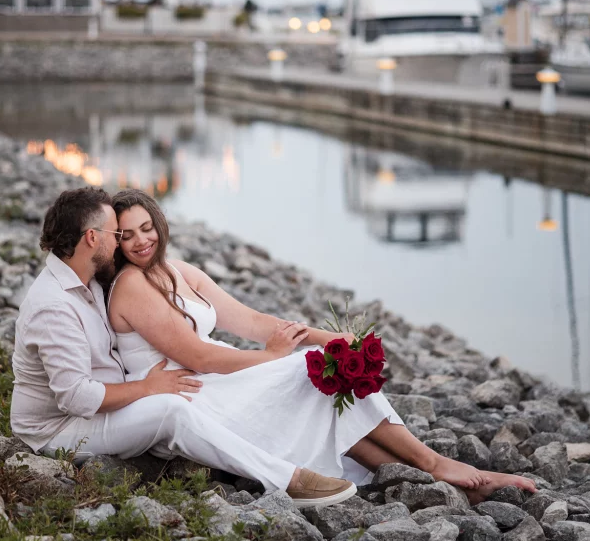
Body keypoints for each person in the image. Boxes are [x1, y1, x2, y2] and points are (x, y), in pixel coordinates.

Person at [108, 189, 537, 504]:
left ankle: (427, 477)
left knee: (325, 374)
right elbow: (198, 356)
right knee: (310, 374)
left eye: (147, 228)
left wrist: (333, 339)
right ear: (116, 243)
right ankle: (434, 465)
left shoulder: (178, 271)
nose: (141, 241)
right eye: (127, 236)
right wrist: (271, 358)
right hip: (192, 394)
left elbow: (257, 322)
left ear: (159, 223)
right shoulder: (131, 285)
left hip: (214, 380)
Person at [10, 187, 359, 508]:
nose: (120, 244)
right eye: (117, 235)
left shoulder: (87, 282)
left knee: (183, 401)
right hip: (58, 429)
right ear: (92, 238)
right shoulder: (54, 304)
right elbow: (77, 399)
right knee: (171, 410)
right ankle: (288, 479)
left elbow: (246, 320)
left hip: (99, 404)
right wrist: (147, 388)